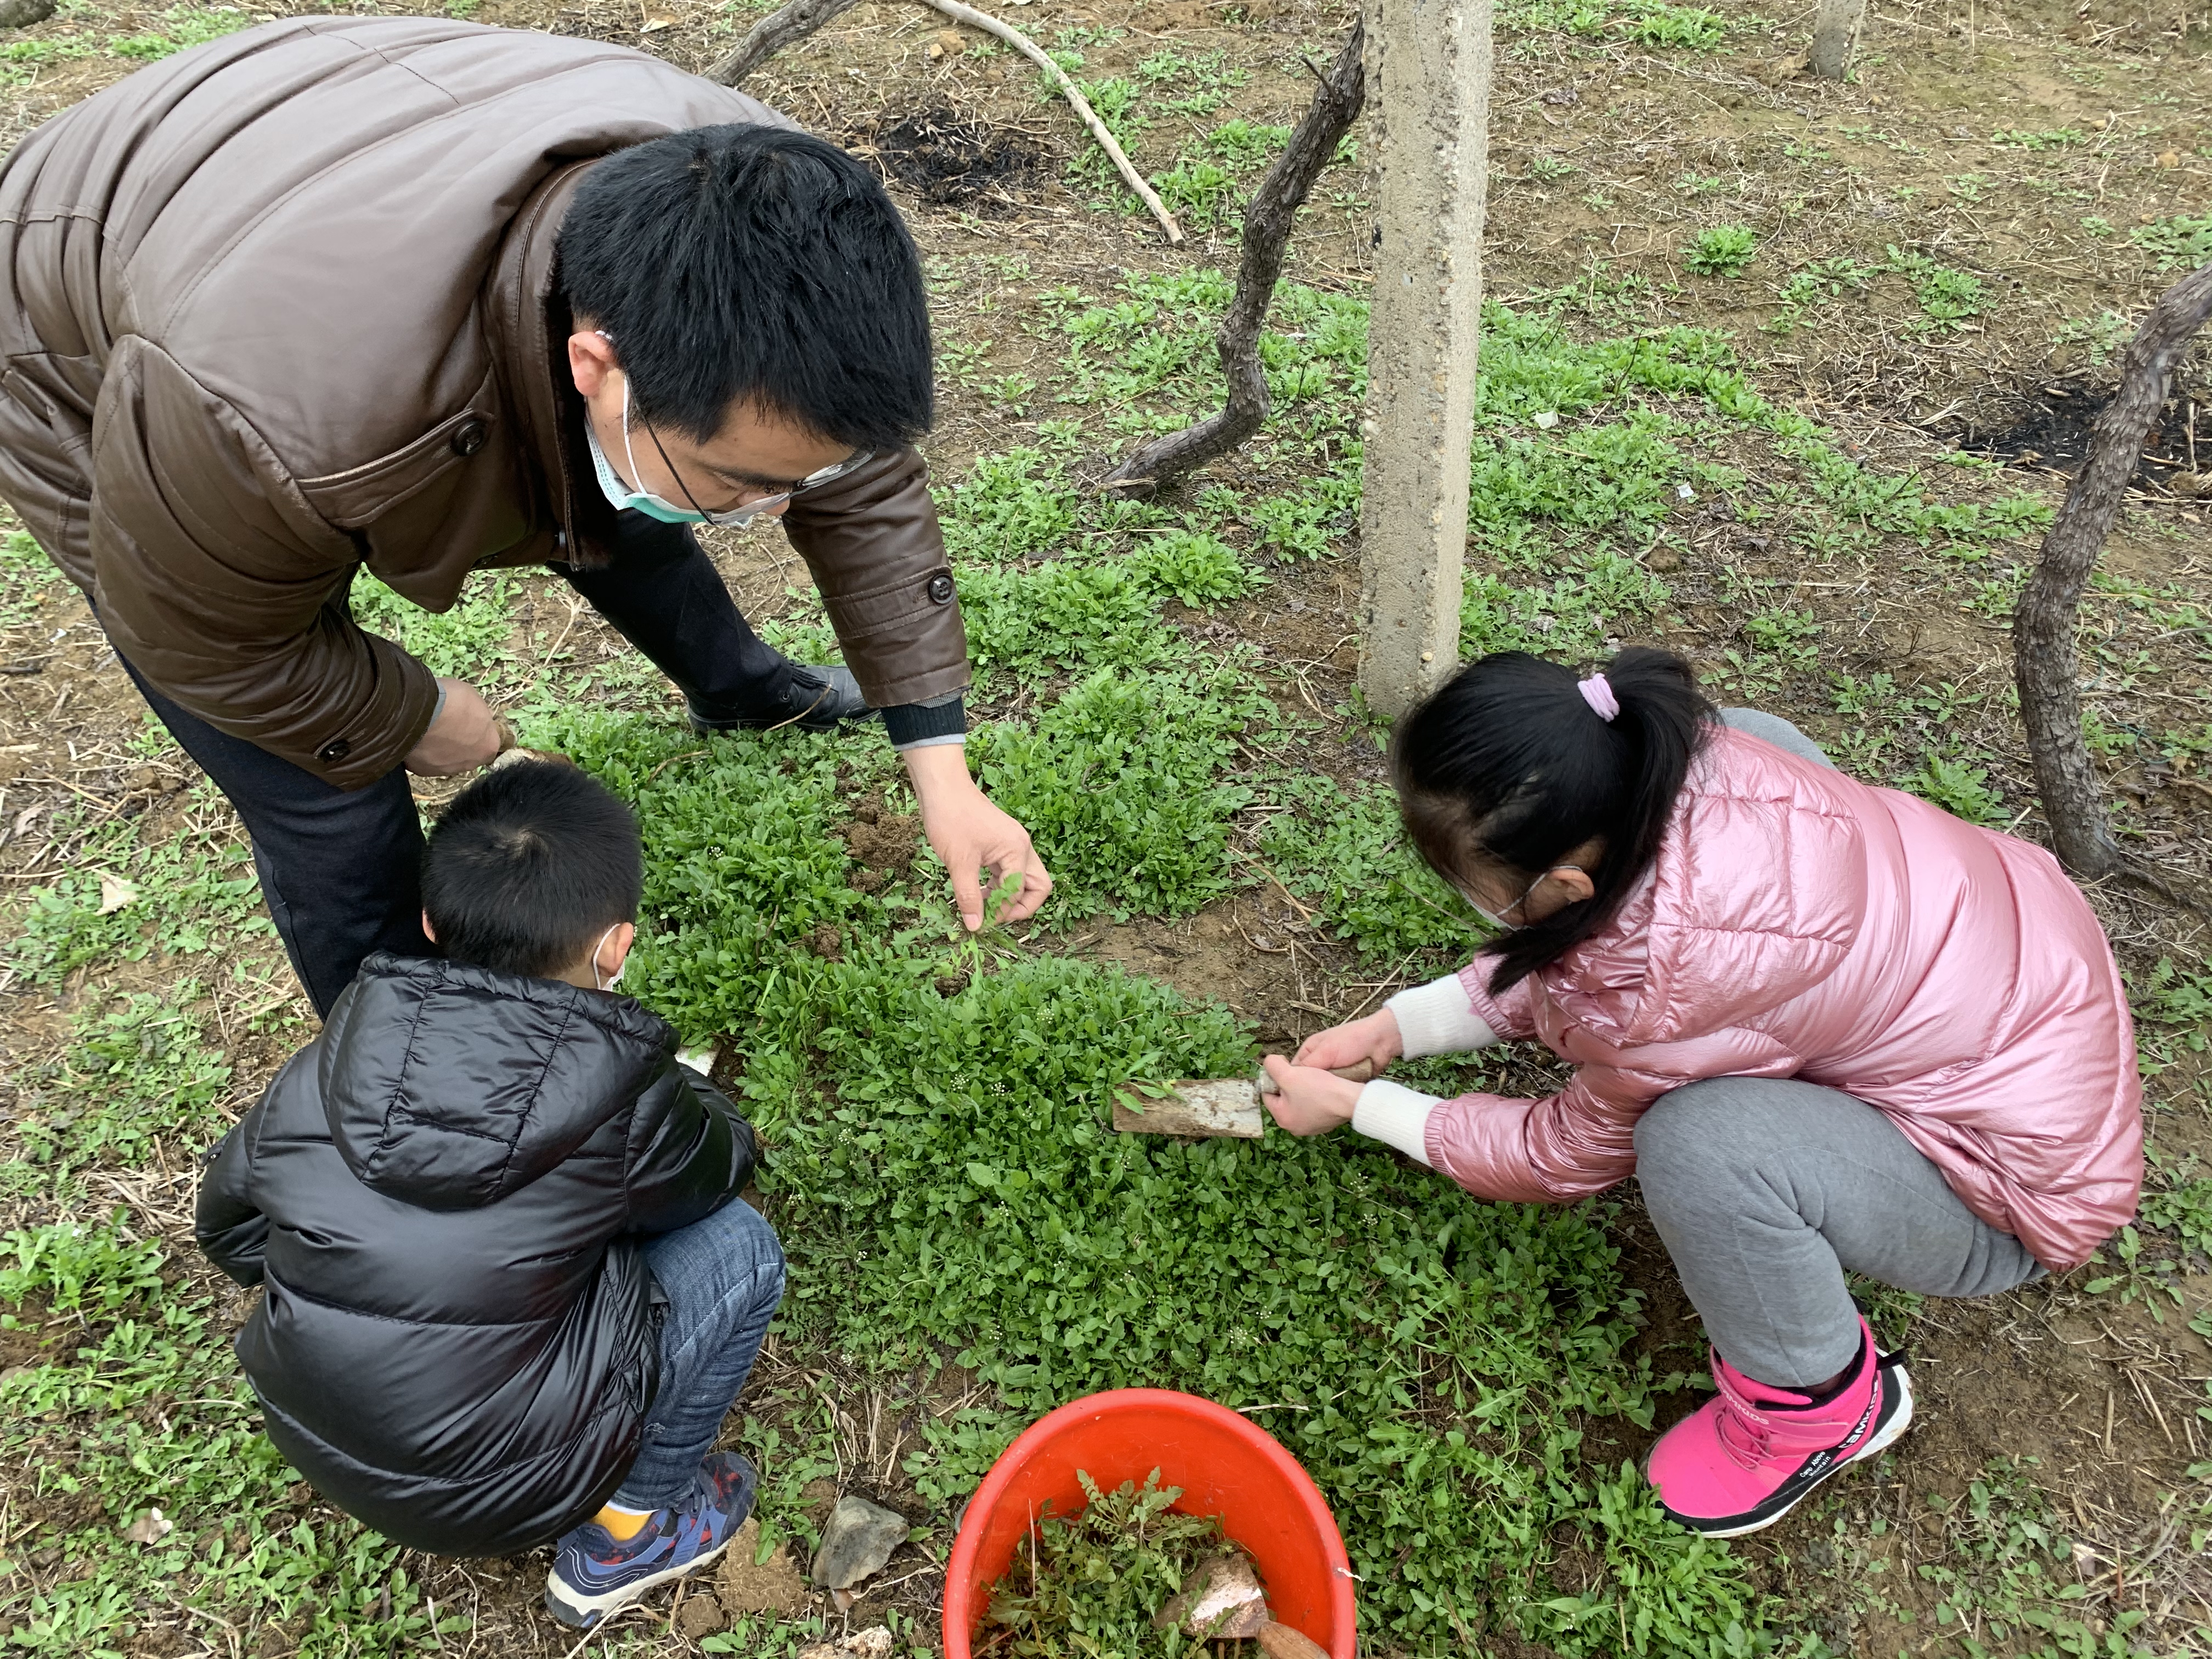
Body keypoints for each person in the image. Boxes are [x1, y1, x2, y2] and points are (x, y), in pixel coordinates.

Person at [0, 17, 1049, 1020]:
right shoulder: (268, 417)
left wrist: (942, 772)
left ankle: (739, 690)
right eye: (747, 482)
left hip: (341, 124)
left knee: (626, 485)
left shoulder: (778, 216)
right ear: (594, 364)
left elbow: (847, 479)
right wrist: (403, 715)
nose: (775, 509)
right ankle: (408, 1071)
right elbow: (210, 640)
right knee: (326, 795)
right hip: (71, 285)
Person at [1261, 648, 2143, 1539]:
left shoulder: (1657, 986)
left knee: (1700, 1142)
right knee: (1766, 740)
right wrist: (1396, 1030)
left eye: (1481, 893)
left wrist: (1361, 1108)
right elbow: (1589, 950)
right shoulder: (1692, 759)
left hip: (2009, 1192)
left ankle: (1824, 1409)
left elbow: (1556, 1154)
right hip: (2023, 995)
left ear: (1567, 886)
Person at [196, 760, 778, 1627]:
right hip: (499, 1488)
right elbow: (722, 1164)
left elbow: (233, 1231)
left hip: (318, 1431)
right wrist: (681, 1090)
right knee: (739, 1250)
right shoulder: (627, 1096)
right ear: (615, 945)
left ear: (431, 923)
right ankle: (628, 1535)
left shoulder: (332, 1053)